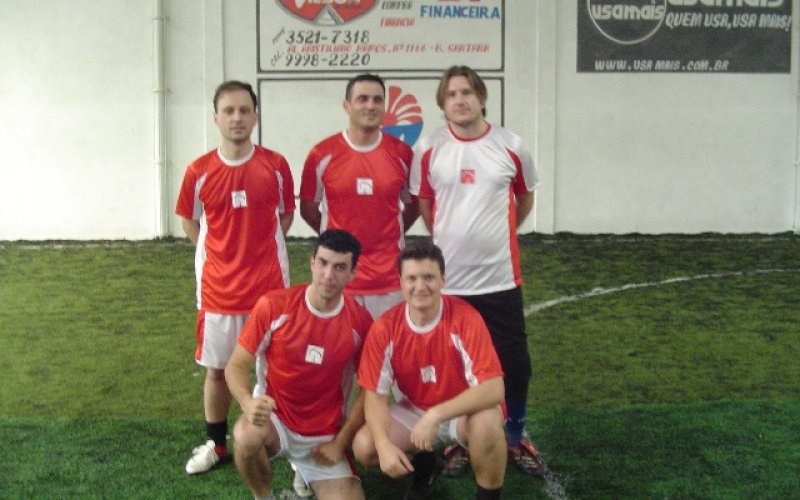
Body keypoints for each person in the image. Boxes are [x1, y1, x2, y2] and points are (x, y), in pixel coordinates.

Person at [409, 65, 542, 477]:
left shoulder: (511, 146)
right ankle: (461, 439)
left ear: (481, 97)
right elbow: (426, 206)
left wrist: (496, 234)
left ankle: (515, 435)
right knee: (455, 368)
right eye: (451, 94)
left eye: (467, 92)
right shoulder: (429, 149)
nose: (460, 100)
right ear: (442, 103)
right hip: (450, 285)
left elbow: (523, 199)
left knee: (514, 364)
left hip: (500, 279)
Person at [176, 80, 295, 475]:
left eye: (245, 110)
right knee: (217, 370)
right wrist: (220, 253)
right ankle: (216, 443)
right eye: (229, 110)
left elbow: (285, 215)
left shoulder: (275, 165)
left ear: (256, 115)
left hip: (269, 292)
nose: (237, 117)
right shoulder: (199, 171)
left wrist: (258, 249)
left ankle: (282, 444)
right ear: (216, 117)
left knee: (274, 372)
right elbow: (189, 220)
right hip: (218, 293)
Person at [353, 240, 507, 500]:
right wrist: (384, 444)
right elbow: (375, 396)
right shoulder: (385, 328)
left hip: (464, 412)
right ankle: (424, 467)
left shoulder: (465, 318)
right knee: (365, 446)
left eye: (428, 277)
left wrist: (436, 414)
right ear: (400, 282)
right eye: (411, 278)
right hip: (416, 409)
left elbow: (493, 389)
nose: (420, 286)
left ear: (443, 280)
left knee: (487, 423)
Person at [225, 229, 373, 500]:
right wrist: (247, 402)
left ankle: (305, 474)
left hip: (324, 435)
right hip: (276, 421)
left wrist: (340, 442)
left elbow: (369, 390)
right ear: (312, 263)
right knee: (246, 435)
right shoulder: (274, 306)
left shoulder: (360, 322)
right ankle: (264, 497)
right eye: (323, 263)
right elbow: (235, 365)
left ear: (353, 273)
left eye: (340, 267)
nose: (328, 274)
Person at [300, 73, 418, 319]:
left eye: (377, 100)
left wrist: (390, 234)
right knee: (340, 345)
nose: (370, 105)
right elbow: (308, 209)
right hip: (340, 280)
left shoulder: (402, 154)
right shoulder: (321, 154)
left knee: (386, 345)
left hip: (388, 281)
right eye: (362, 99)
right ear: (347, 105)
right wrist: (335, 241)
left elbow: (414, 205)